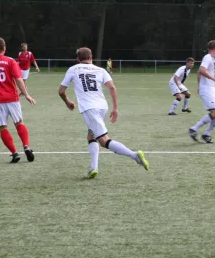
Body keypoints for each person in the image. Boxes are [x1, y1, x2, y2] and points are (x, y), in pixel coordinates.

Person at [58, 47, 149, 178]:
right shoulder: (100, 70)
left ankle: (134, 156)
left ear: (78, 59)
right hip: (102, 107)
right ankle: (93, 168)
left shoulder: (73, 69)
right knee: (91, 136)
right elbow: (111, 87)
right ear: (91, 57)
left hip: (89, 109)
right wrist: (115, 108)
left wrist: (68, 102)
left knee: (104, 140)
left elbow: (61, 91)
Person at [189, 40, 215, 144]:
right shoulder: (208, 57)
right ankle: (193, 129)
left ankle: (206, 134)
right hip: (207, 89)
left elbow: (199, 72)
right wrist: (214, 79)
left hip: (212, 89)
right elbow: (202, 70)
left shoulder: (211, 59)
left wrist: (199, 86)